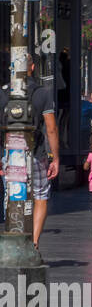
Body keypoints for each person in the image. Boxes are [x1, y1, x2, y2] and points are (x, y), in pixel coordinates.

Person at [0, 58, 59, 248]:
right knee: (40, 195)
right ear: (32, 67)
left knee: (11, 194)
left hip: (9, 154)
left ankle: (14, 238)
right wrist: (55, 158)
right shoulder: (43, 93)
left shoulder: (3, 93)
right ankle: (33, 242)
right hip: (36, 153)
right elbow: (51, 128)